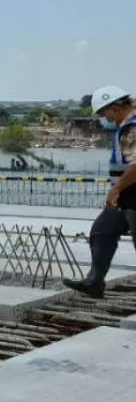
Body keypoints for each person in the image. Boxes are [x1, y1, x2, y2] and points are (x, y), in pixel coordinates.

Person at [63, 85, 136, 298]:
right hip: (126, 195)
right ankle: (94, 282)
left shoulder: (132, 128)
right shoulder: (124, 126)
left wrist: (116, 189)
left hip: (131, 193)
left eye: (104, 112)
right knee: (102, 231)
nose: (104, 117)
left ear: (115, 108)